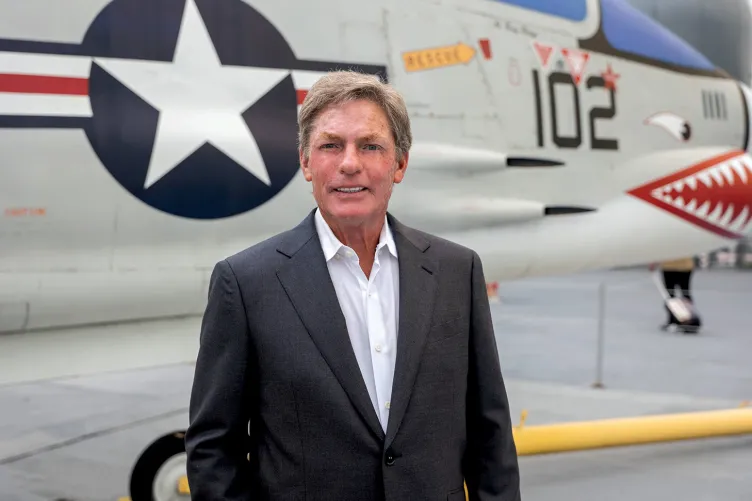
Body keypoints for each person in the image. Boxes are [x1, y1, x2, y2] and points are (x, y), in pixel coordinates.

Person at [184, 70, 521, 501]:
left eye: (370, 146)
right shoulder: (246, 283)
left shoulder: (457, 271)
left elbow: (490, 432)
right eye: (330, 145)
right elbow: (214, 449)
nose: (349, 163)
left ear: (399, 163)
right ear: (306, 162)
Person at [655, 256, 699, 331]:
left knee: (671, 295)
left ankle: (675, 320)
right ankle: (687, 320)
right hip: (683, 265)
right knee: (684, 293)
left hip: (670, 265)